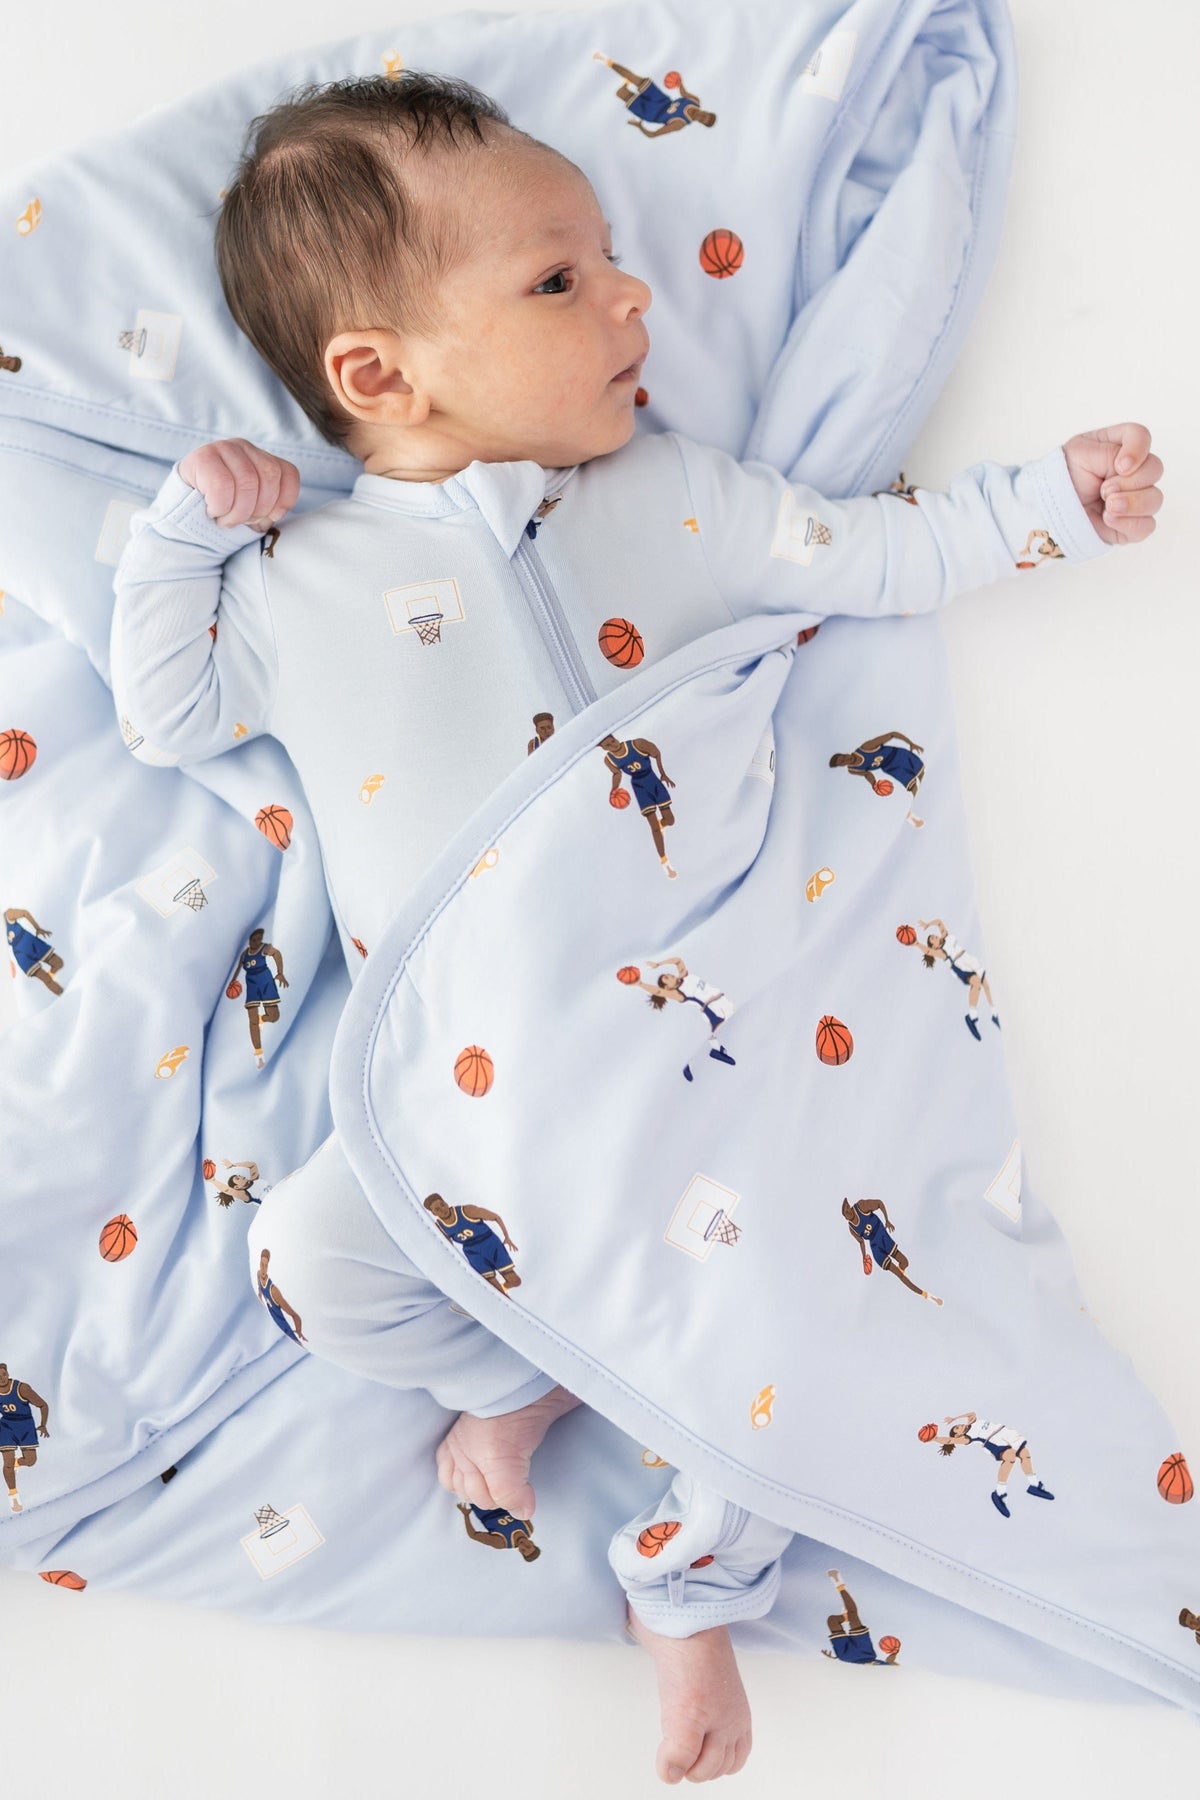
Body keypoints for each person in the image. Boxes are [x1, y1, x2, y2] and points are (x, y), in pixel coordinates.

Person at [108, 71, 1161, 1787]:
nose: (633, 294)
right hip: (467, 1102)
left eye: (607, 257)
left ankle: (691, 1578)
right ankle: (520, 1374)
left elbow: (876, 554)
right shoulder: (300, 588)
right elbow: (165, 716)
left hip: (696, 1069)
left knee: (785, 1320)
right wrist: (183, 534)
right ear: (377, 376)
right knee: (307, 1255)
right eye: (560, 278)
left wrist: (1049, 499)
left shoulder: (679, 502)